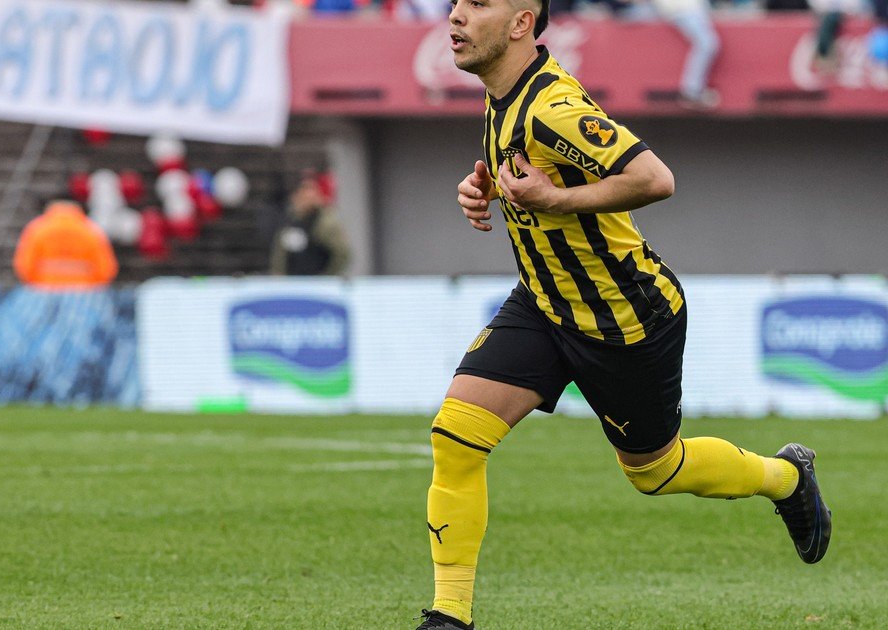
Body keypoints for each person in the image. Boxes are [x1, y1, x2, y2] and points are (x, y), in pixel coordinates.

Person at [416, 2, 832, 628]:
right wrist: (489, 189)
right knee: (455, 437)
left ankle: (785, 478)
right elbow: (541, 180)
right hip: (544, 301)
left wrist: (552, 198)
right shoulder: (503, 96)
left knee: (656, 472)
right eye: (457, 2)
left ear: (521, 23)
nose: (455, 15)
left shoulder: (552, 107)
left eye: (477, 3)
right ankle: (449, 616)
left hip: (623, 316)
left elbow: (655, 178)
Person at [12, 200, 118, 290]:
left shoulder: (37, 229)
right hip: (84, 291)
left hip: (43, 290)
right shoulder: (90, 229)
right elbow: (105, 268)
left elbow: (25, 265)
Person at [269, 173, 350, 276]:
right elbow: (280, 254)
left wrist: (327, 276)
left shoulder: (325, 221)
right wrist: (279, 275)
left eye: (311, 190)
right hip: (292, 281)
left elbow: (342, 253)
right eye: (303, 191)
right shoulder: (289, 220)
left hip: (318, 281)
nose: (307, 196)